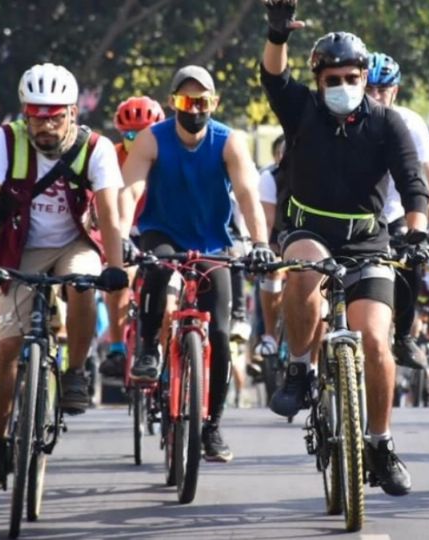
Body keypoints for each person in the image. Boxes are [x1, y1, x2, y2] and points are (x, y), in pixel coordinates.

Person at [261, 0, 429, 495]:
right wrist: (276, 35)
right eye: (331, 78)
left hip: (367, 240)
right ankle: (298, 369)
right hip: (308, 229)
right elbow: (274, 79)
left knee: (376, 340)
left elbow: (412, 184)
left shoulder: (388, 123)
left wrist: (416, 230)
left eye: (351, 77)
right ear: (318, 82)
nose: (342, 86)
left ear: (364, 76)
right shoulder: (302, 111)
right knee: (305, 270)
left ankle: (379, 442)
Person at [0, 63, 128, 491]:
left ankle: (75, 372)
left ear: (71, 112)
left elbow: (108, 213)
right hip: (22, 246)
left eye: (54, 115)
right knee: (7, 345)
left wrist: (116, 266)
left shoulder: (97, 147)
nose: (45, 124)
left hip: (76, 242)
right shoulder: (7, 140)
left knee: (83, 284)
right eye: (36, 115)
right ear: (24, 113)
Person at [120, 65, 272, 462]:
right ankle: (150, 349)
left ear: (214, 104)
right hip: (163, 234)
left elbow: (248, 195)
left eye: (203, 102)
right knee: (155, 269)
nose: (195, 109)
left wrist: (259, 243)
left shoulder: (228, 141)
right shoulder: (151, 140)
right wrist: (120, 233)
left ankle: (213, 427)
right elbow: (130, 188)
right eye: (187, 102)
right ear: (173, 103)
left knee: (220, 335)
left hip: (212, 244)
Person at [365, 51, 429, 370]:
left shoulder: (410, 123)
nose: (374, 97)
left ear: (394, 92)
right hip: (352, 214)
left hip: (394, 213)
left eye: (381, 90)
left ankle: (403, 336)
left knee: (412, 255)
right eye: (368, 89)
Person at [98, 95, 165, 379]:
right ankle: (116, 346)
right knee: (118, 278)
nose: (136, 140)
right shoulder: (110, 156)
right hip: (120, 230)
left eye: (143, 133)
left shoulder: (166, 153)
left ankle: (167, 348)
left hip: (156, 230)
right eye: (129, 134)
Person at [253, 134, 287, 366]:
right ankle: (270, 335)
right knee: (271, 270)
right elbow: (266, 223)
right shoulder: (270, 178)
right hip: (280, 241)